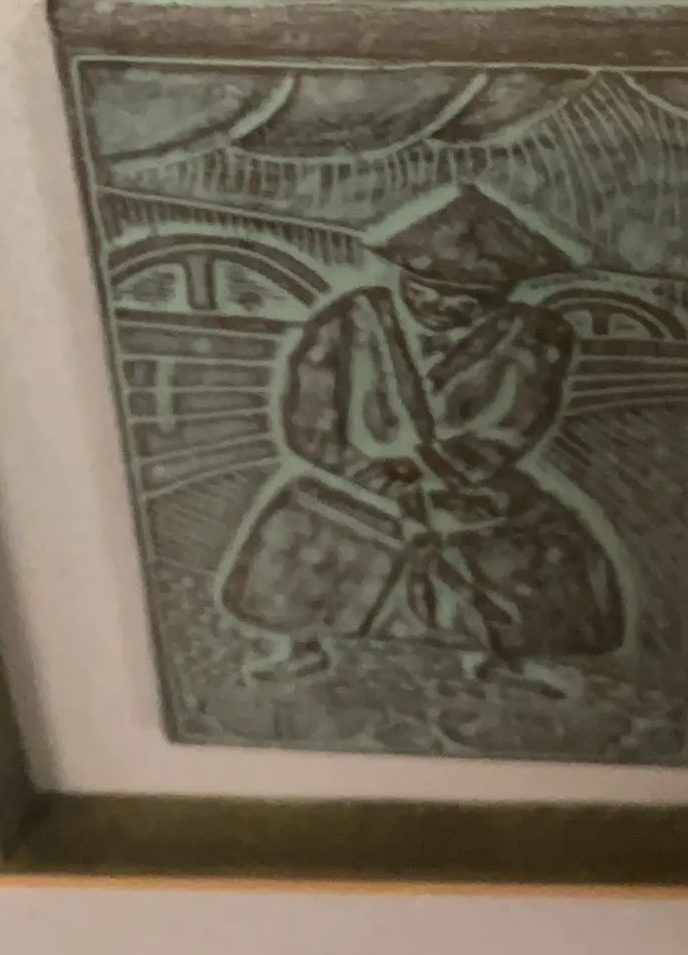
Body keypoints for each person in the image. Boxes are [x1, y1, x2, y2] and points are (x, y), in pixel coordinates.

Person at [220, 185, 624, 689]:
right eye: (425, 289)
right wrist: (370, 474)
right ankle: (297, 647)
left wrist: (434, 471)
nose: (441, 304)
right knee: (301, 523)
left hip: (468, 480)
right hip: (356, 480)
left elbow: (516, 425)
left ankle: (509, 658)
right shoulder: (347, 321)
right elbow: (308, 421)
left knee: (540, 543)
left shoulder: (536, 335)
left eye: (467, 298)